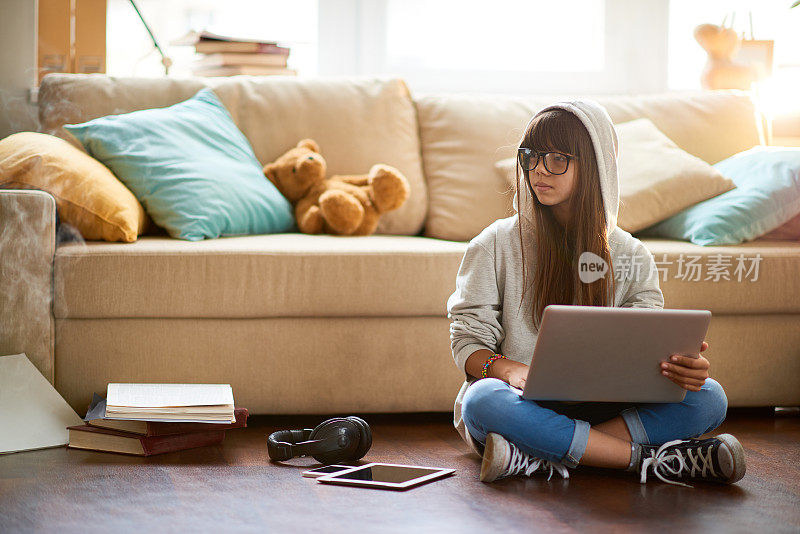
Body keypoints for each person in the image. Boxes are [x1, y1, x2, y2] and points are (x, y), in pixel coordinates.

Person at [447, 101, 746, 487]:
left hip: (609, 405)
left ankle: (539, 454)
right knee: (481, 401)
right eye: (532, 156)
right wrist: (514, 371)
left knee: (709, 396)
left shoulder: (631, 254)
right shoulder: (495, 243)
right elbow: (469, 342)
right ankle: (647, 461)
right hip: (525, 402)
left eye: (557, 158)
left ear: (595, 165)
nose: (538, 169)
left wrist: (680, 370)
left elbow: (648, 342)